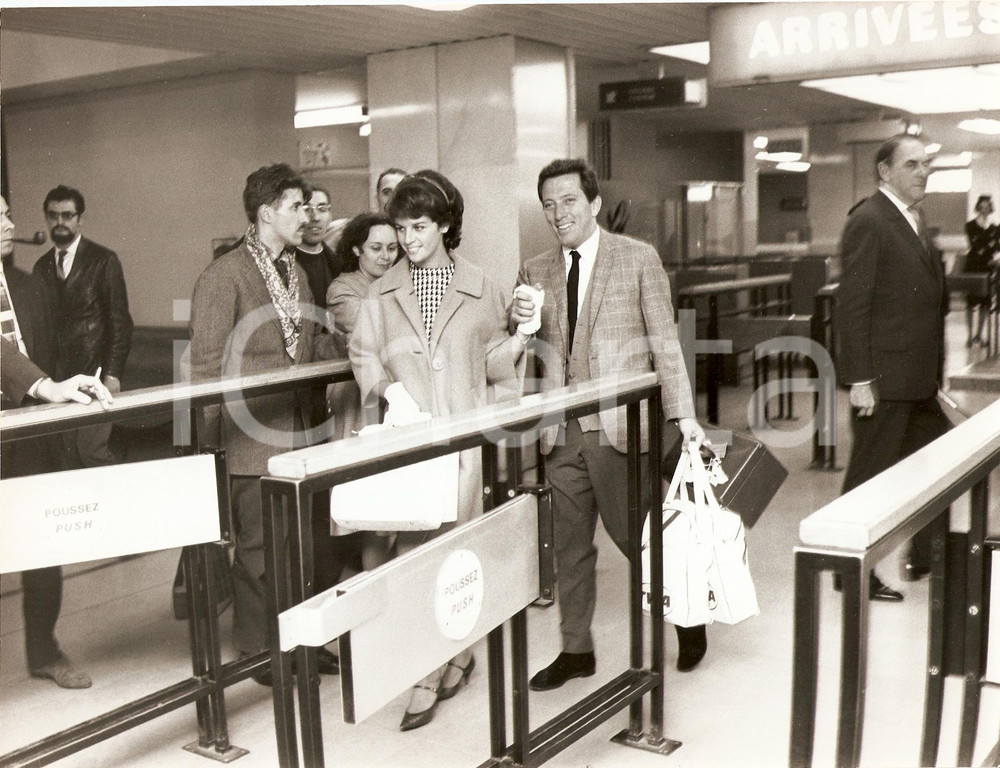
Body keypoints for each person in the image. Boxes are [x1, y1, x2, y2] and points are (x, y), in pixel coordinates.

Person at [509, 158, 707, 687]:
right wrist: (520, 326)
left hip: (619, 428)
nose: (558, 213)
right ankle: (577, 650)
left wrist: (683, 416)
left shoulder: (637, 258)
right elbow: (531, 350)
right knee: (569, 549)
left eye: (569, 200)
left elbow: (665, 344)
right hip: (561, 432)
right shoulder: (535, 269)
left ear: (594, 204)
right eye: (549, 204)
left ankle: (687, 618)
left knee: (639, 540)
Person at [350, 170, 527, 730]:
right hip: (409, 443)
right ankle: (430, 670)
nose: (406, 239)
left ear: (446, 225)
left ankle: (456, 653)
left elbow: (497, 364)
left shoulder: (482, 287)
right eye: (401, 228)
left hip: (464, 445)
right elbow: (363, 353)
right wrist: (388, 388)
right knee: (414, 555)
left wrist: (521, 337)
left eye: (419, 227)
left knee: (459, 552)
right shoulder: (382, 292)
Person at [188, 164, 346, 684]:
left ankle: (296, 642)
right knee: (257, 556)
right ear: (266, 213)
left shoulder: (294, 271)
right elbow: (206, 370)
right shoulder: (222, 275)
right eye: (297, 206)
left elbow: (301, 343)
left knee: (296, 549)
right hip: (248, 439)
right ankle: (259, 655)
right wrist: (213, 456)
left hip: (299, 429)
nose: (307, 216)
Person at [2, 194, 113, 690]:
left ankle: (43, 649)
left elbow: (49, 353)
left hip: (30, 436)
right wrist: (45, 386)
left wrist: (67, 385)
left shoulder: (29, 287)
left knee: (42, 546)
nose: (10, 222)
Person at [834, 135, 950, 600]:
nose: (923, 172)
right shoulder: (869, 220)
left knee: (936, 468)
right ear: (885, 171)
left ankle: (925, 557)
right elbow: (853, 306)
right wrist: (860, 379)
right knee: (870, 477)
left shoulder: (913, 219)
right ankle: (848, 570)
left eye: (926, 164)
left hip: (918, 380)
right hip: (884, 381)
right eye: (912, 164)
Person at [32, 185, 133, 470]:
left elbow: (120, 323)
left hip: (96, 377)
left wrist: (113, 374)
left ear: (80, 219)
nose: (60, 222)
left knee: (93, 455)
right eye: (53, 216)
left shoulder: (103, 260)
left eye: (67, 215)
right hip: (57, 381)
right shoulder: (40, 268)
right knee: (64, 459)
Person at [325, 212, 400, 570]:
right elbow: (375, 334)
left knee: (400, 508)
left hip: (395, 400)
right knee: (372, 511)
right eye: (376, 248)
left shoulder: (400, 281)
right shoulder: (343, 289)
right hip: (360, 405)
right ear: (356, 249)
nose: (385, 256)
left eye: (391, 248)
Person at [963, 194, 1000, 347]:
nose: (984, 210)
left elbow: (996, 246)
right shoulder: (970, 225)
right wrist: (989, 247)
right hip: (973, 266)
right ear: (978, 208)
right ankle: (970, 336)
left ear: (990, 208)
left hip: (987, 266)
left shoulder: (995, 227)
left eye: (987, 207)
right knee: (971, 303)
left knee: (985, 303)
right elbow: (976, 245)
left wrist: (992, 253)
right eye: (982, 207)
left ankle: (979, 335)